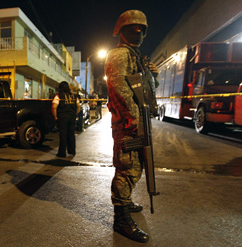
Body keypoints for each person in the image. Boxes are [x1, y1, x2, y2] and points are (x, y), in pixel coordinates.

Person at [104, 10, 159, 243]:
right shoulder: (118, 55)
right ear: (121, 30)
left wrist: (153, 76)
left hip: (139, 121)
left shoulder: (135, 56)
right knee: (127, 167)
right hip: (130, 124)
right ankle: (121, 218)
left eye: (141, 29)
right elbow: (119, 89)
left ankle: (126, 202)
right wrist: (132, 119)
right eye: (132, 28)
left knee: (138, 164)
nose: (138, 32)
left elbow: (144, 89)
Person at [51, 81, 80, 158]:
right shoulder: (74, 96)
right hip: (72, 117)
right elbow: (78, 105)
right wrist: (76, 113)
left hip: (62, 117)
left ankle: (62, 153)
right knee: (71, 134)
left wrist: (55, 116)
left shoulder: (58, 96)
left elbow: (54, 107)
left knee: (63, 135)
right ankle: (72, 151)